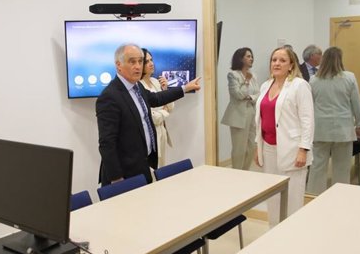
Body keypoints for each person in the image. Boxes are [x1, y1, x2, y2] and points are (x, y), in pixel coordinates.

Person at [96, 43, 201, 186]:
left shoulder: (137, 86)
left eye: (140, 61)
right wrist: (116, 178)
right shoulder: (109, 97)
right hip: (123, 175)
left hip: (143, 165)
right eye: (132, 62)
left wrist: (185, 88)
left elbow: (156, 98)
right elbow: (107, 143)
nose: (138, 66)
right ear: (118, 65)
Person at [255, 46, 314, 222]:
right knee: (272, 198)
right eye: (274, 60)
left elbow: (308, 120)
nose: (277, 63)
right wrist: (257, 146)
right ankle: (274, 232)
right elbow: (260, 119)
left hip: (293, 149)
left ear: (291, 65)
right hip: (268, 148)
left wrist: (304, 149)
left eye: (282, 60)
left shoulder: (299, 85)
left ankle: (292, 239)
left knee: (292, 200)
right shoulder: (266, 85)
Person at [306, 46, 360, 194]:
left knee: (317, 167)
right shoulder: (349, 77)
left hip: (320, 129)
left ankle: (313, 196)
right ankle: (340, 196)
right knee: (342, 167)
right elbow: (356, 103)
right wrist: (359, 123)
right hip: (343, 129)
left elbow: (310, 106)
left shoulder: (314, 80)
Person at [221, 47, 259, 170]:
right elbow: (238, 94)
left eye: (251, 56)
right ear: (240, 58)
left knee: (251, 146)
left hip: (251, 112)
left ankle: (246, 171)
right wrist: (246, 81)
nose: (251, 58)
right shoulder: (233, 75)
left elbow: (258, 94)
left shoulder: (254, 75)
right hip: (238, 114)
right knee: (239, 148)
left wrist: (250, 97)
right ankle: (237, 173)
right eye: (248, 56)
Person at [139, 48, 174, 168]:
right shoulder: (138, 86)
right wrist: (164, 111)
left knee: (162, 167)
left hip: (162, 132)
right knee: (152, 169)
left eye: (151, 60)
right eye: (147, 61)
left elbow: (171, 107)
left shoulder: (155, 81)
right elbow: (151, 117)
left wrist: (165, 90)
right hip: (150, 135)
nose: (151, 63)